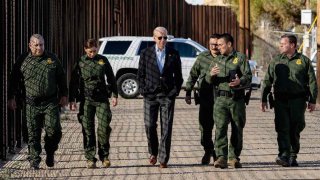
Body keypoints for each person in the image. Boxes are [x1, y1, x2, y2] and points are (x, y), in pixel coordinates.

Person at [7, 34, 68, 169]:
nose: (39, 48)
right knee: (32, 133)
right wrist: (11, 97)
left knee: (54, 131)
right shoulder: (23, 60)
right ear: (30, 45)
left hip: (50, 101)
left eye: (41, 45)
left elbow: (61, 77)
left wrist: (64, 95)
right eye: (36, 45)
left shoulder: (52, 59)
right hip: (31, 103)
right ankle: (34, 159)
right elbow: (14, 80)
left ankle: (50, 151)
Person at [260, 34, 318, 167]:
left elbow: (312, 82)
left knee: (295, 128)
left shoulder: (304, 61)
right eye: (280, 44)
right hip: (280, 100)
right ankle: (284, 154)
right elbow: (268, 80)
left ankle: (293, 155)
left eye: (283, 44)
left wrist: (313, 100)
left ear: (292, 45)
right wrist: (263, 99)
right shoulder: (276, 61)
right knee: (282, 127)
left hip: (298, 101)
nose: (280, 46)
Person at [137, 26, 183, 168]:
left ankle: (163, 158)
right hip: (150, 95)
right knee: (149, 125)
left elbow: (179, 76)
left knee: (166, 127)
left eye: (165, 38)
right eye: (160, 38)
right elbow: (140, 75)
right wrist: (143, 90)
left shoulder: (174, 53)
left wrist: (174, 91)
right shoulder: (145, 53)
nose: (163, 40)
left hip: (167, 95)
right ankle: (153, 152)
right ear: (154, 38)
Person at [69, 38, 118, 169]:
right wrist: (72, 99)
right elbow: (73, 81)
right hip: (86, 100)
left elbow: (111, 77)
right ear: (85, 50)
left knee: (103, 128)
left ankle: (105, 156)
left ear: (97, 48)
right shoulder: (80, 62)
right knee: (88, 129)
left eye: (94, 51)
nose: (92, 54)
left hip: (101, 99)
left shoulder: (102, 60)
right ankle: (90, 158)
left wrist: (115, 94)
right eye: (90, 52)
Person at [206, 33, 252, 169]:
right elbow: (208, 81)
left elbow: (248, 76)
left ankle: (234, 157)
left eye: (221, 45)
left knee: (237, 129)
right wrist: (211, 75)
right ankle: (221, 157)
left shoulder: (241, 58)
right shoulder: (217, 60)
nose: (218, 47)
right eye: (217, 45)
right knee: (220, 129)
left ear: (229, 44)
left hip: (236, 99)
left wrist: (240, 81)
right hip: (220, 99)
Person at [185, 33, 220, 165]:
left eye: (216, 44)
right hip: (205, 97)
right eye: (211, 44)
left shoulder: (225, 57)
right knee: (204, 128)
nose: (213, 47)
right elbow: (193, 75)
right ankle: (208, 149)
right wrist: (188, 91)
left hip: (221, 99)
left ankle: (218, 154)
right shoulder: (202, 57)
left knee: (220, 127)